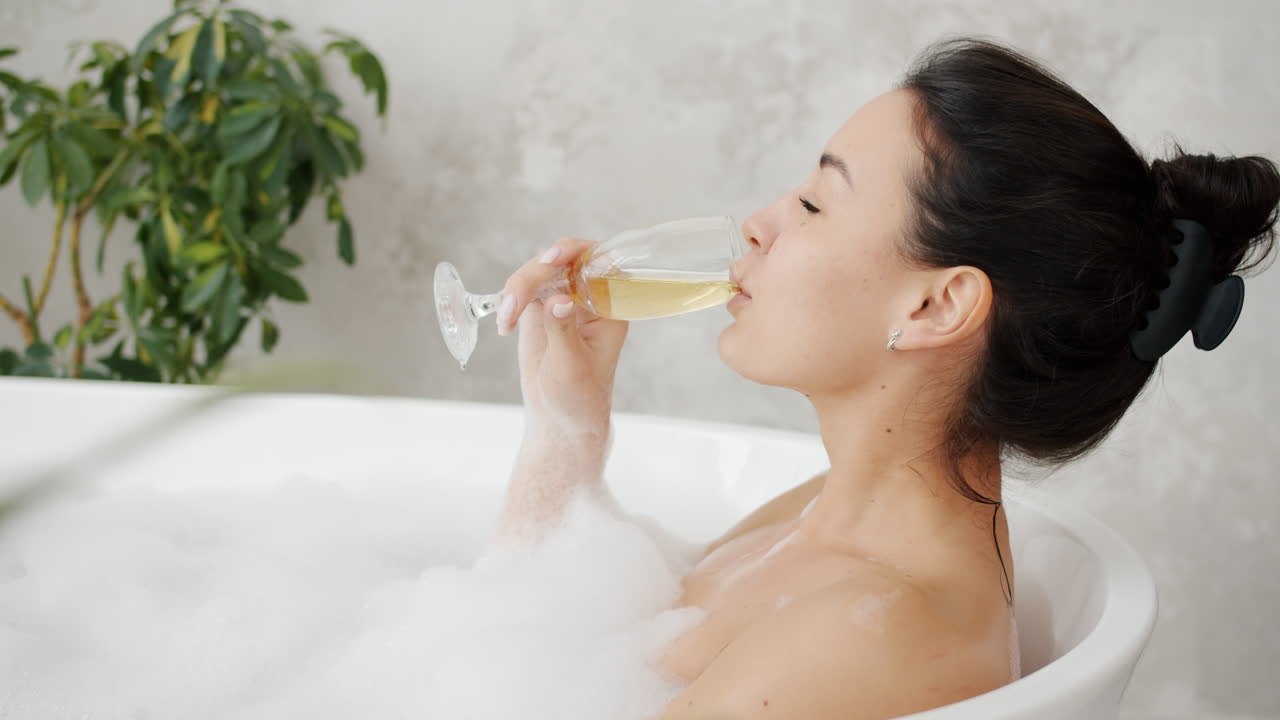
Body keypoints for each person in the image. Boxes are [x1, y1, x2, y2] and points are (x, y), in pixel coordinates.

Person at [487, 36, 1279, 719]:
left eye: (814, 204)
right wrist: (566, 422)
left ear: (937, 305)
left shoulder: (873, 631)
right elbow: (530, 629)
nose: (758, 224)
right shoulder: (828, 515)